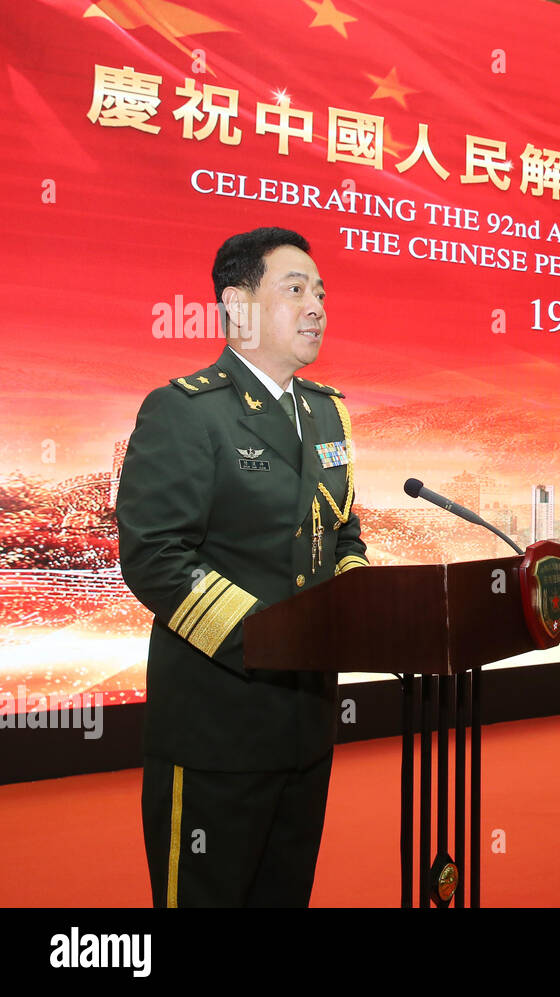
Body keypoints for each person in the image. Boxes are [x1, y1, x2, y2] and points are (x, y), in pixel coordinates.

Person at [117, 227, 368, 906]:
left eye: (320, 292)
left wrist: (350, 607)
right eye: (295, 289)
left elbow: (345, 534)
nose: (316, 305)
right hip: (216, 730)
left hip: (306, 728)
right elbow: (155, 556)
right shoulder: (186, 411)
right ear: (238, 304)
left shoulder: (327, 415)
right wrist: (271, 637)